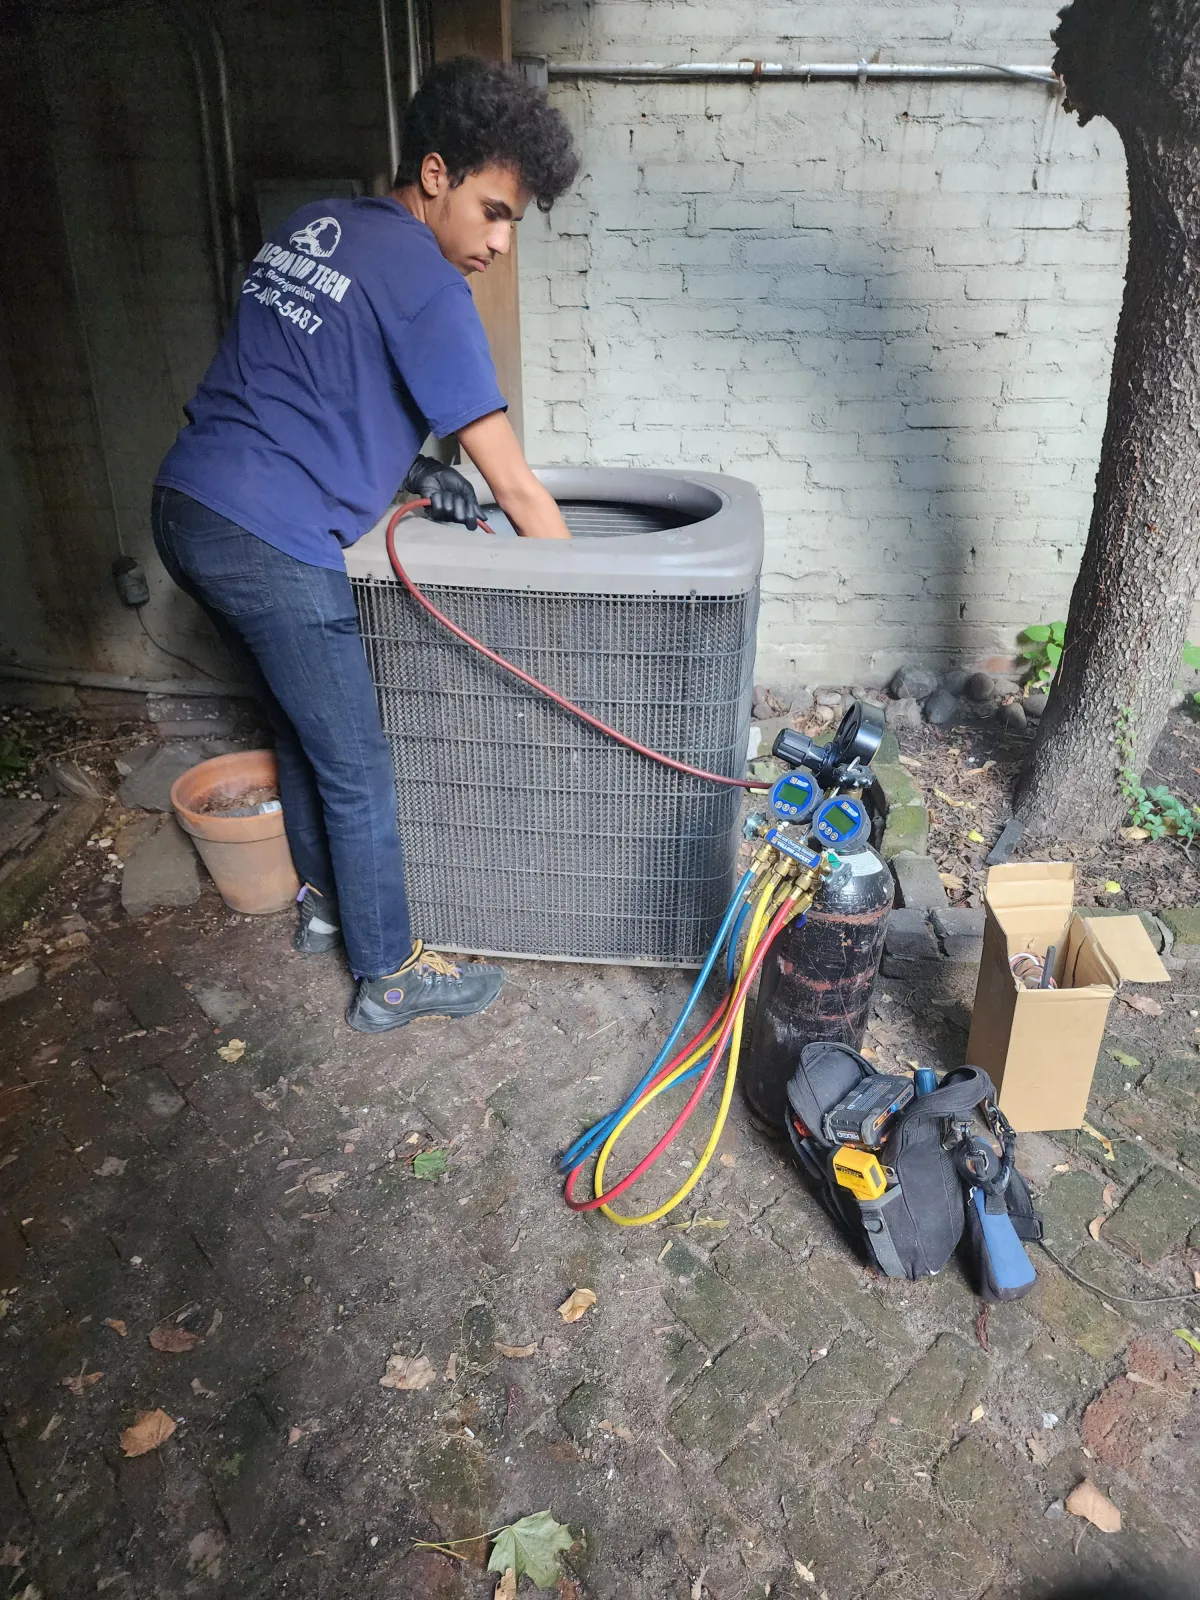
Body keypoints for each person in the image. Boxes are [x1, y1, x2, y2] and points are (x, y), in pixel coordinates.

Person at [152, 57, 579, 1032]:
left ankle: (323, 909)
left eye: (515, 221)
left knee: (301, 733)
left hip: (184, 506)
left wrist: (407, 472)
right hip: (267, 539)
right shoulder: (429, 284)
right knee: (358, 764)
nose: (501, 241)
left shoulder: (314, 228)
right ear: (434, 175)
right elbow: (516, 485)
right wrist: (585, 612)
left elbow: (304, 391)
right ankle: (389, 974)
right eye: (494, 211)